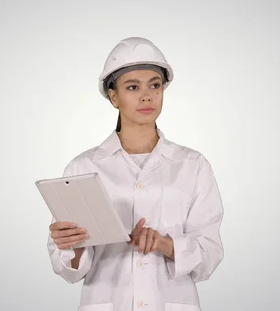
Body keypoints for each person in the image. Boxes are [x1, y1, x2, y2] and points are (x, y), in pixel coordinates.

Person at [46, 37, 224, 311]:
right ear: (113, 97)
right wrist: (73, 244)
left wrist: (166, 244)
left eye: (155, 85)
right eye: (132, 87)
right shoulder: (83, 167)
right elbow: (69, 270)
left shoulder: (192, 165)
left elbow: (210, 254)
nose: (146, 96)